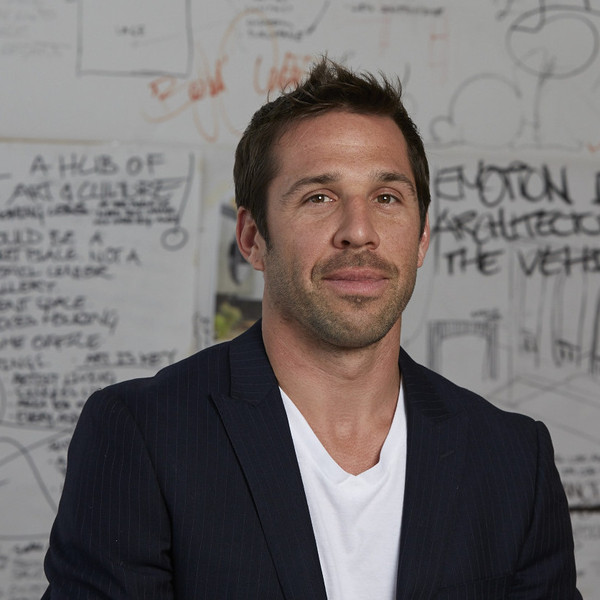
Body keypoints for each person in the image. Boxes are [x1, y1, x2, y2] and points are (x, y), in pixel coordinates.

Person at [42, 58, 582, 599]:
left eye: (387, 197)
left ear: (421, 238)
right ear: (252, 238)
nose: (359, 231)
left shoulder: (514, 460)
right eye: (319, 197)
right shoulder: (143, 434)